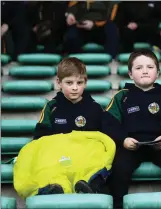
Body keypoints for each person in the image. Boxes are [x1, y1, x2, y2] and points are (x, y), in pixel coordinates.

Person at [103, 49, 161, 208]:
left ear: (158, 72)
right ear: (130, 74)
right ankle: (118, 204)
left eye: (150, 67)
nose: (145, 71)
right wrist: (123, 140)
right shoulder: (122, 96)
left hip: (160, 145)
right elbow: (108, 123)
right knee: (119, 168)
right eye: (139, 68)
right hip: (130, 145)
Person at [33, 57, 111, 194]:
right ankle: (55, 188)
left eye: (79, 82)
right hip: (60, 158)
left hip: (86, 158)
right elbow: (40, 138)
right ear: (59, 82)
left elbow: (104, 138)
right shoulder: (51, 108)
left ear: (85, 83)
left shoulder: (94, 108)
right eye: (69, 83)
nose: (75, 87)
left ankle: (90, 185)